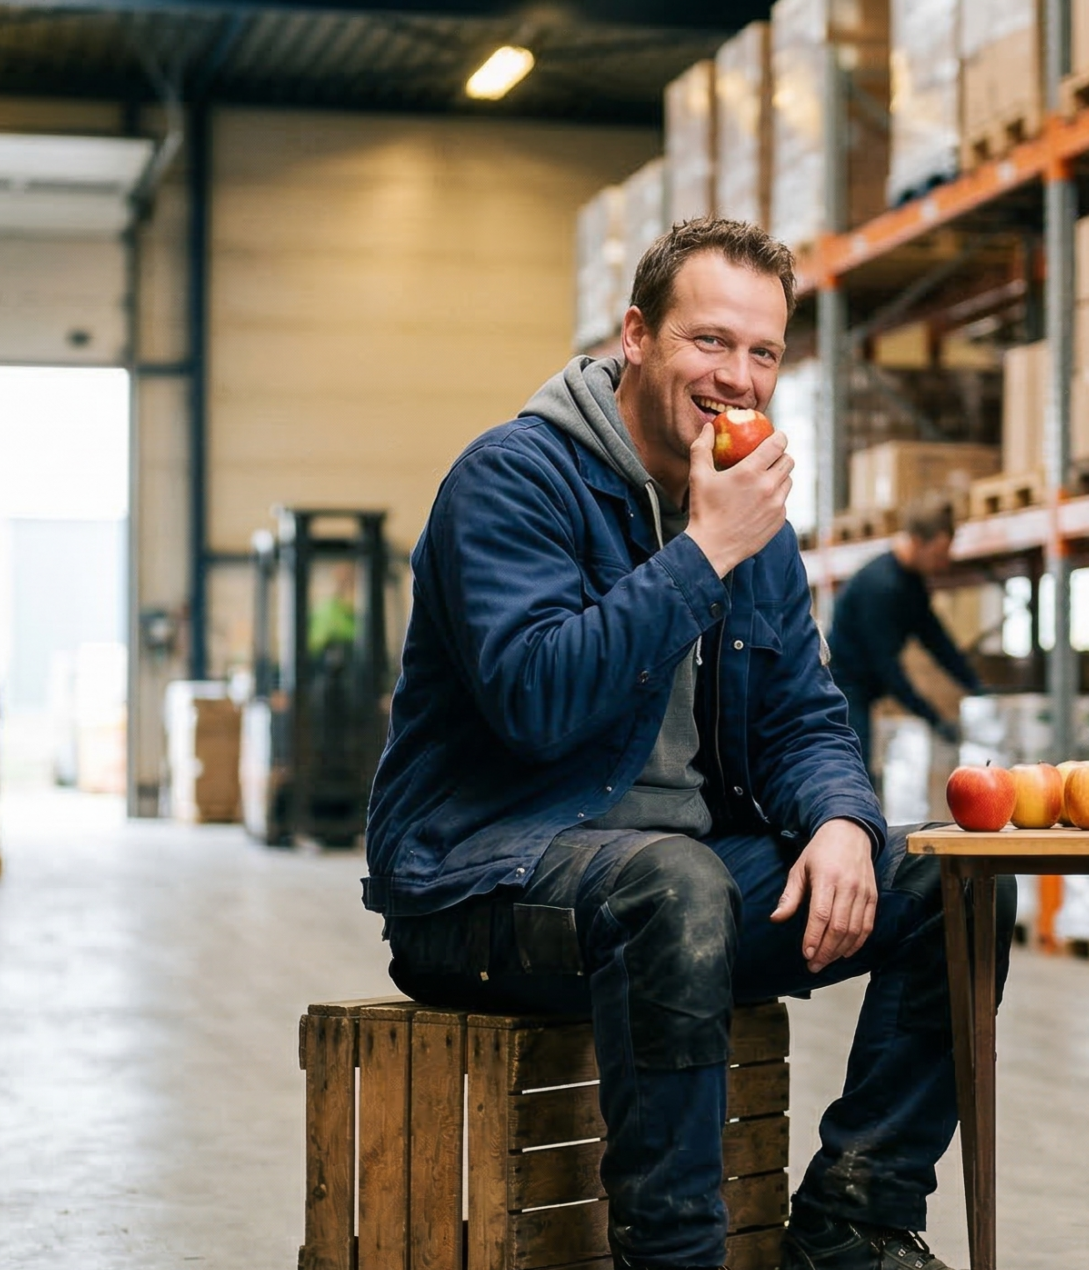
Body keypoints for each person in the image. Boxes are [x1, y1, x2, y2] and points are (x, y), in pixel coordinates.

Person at [364, 217, 1013, 1270]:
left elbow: (802, 713)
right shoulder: (512, 480)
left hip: (673, 890)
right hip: (482, 885)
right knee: (673, 886)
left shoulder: (748, 512)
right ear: (635, 336)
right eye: (709, 342)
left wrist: (843, 822)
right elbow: (534, 697)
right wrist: (705, 548)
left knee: (955, 887)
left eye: (762, 352)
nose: (737, 379)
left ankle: (854, 1220)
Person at [826, 495, 985, 768]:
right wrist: (933, 718)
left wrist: (976, 687)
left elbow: (935, 639)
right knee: (855, 769)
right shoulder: (882, 586)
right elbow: (886, 667)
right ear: (916, 542)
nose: (945, 561)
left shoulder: (912, 584)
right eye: (939, 552)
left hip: (864, 688)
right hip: (842, 690)